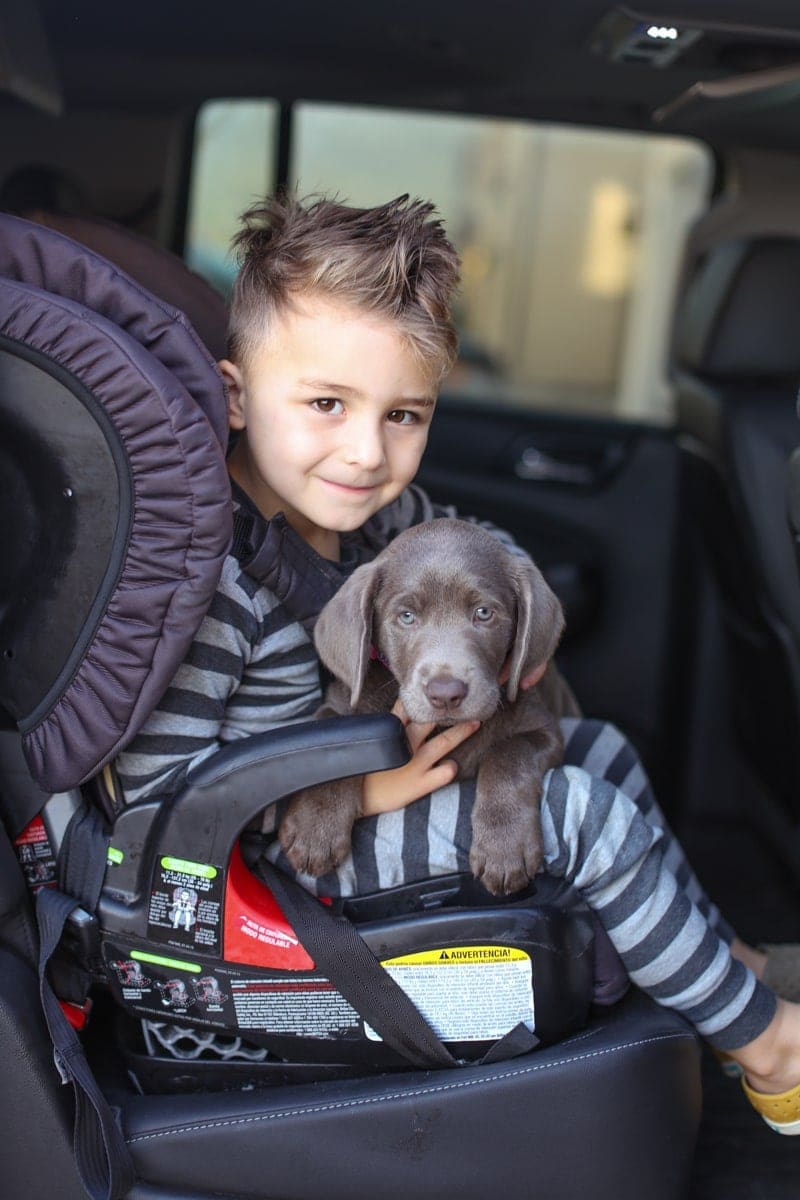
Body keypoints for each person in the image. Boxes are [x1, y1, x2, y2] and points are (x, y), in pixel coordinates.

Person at [116, 192, 800, 1133]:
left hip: (371, 781)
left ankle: (720, 954)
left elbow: (462, 561)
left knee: (601, 748)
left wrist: (497, 620)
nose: (365, 451)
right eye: (325, 404)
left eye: (404, 413)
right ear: (236, 395)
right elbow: (158, 813)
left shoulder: (382, 520)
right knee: (582, 817)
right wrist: (363, 792)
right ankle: (767, 1046)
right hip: (280, 867)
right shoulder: (210, 588)